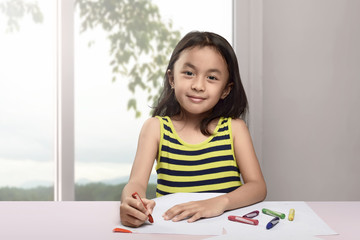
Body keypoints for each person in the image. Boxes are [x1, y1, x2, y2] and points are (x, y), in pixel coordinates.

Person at [120, 31, 267, 227]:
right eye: (189, 73)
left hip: (227, 229)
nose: (198, 85)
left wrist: (219, 203)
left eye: (212, 77)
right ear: (172, 78)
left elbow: (257, 187)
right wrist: (131, 203)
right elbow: (136, 183)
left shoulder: (234, 129)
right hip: (173, 228)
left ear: (226, 89)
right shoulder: (155, 128)